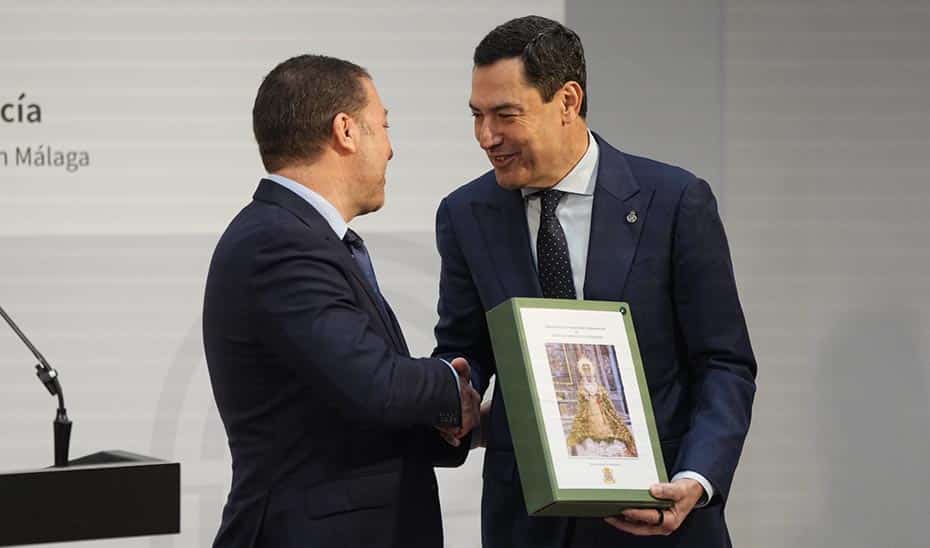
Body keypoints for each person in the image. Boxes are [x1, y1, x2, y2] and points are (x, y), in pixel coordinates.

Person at [432, 16, 757, 547]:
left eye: (506, 115)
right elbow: (465, 349)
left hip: (659, 517)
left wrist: (696, 478)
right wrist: (451, 395)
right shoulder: (466, 214)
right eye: (477, 115)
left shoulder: (674, 202)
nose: (487, 137)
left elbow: (725, 363)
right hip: (526, 524)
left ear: (567, 101)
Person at [203, 54, 479, 548]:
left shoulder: (300, 237)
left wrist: (458, 425)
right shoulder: (278, 241)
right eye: (384, 126)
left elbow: (343, 407)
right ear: (346, 131)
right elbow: (373, 381)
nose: (391, 149)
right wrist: (450, 386)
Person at [566, 357, 637, 458]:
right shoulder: (582, 386)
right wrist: (585, 396)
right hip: (589, 409)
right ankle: (594, 439)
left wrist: (600, 395)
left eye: (588, 368)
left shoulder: (598, 385)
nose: (587, 370)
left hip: (600, 408)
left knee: (605, 423)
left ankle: (607, 439)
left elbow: (604, 396)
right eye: (584, 368)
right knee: (590, 425)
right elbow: (581, 398)